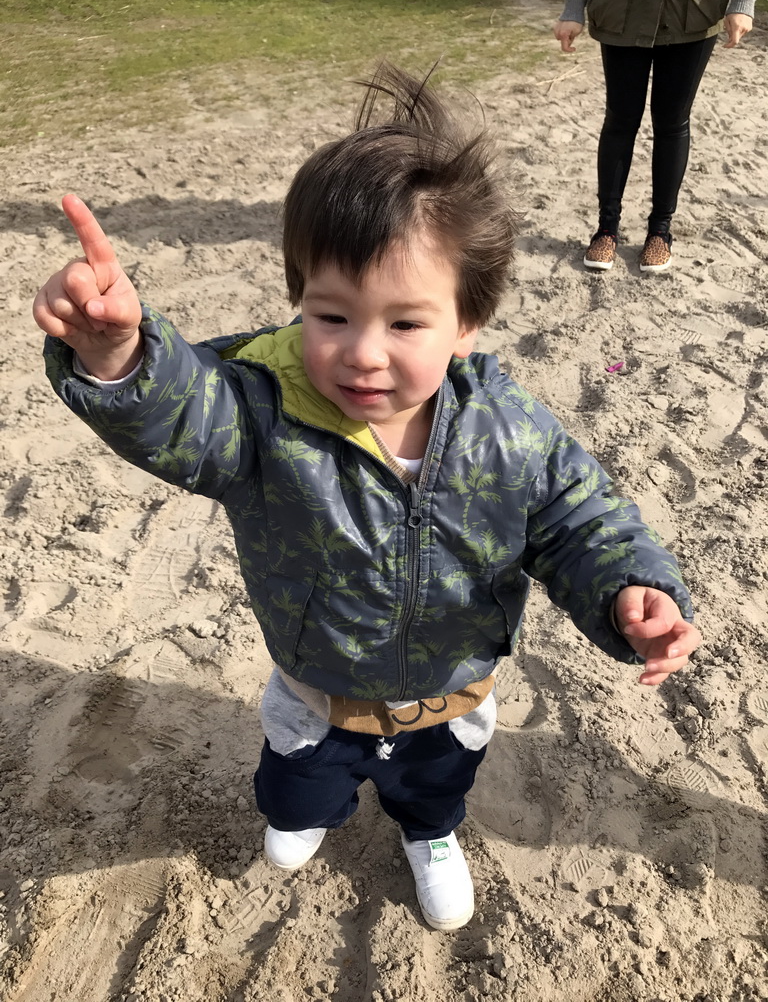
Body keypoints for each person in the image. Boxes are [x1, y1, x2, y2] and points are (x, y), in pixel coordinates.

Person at [33, 64, 701, 933]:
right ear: (299, 300)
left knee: (436, 785)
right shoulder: (260, 411)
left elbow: (581, 520)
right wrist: (118, 359)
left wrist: (628, 589)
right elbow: (181, 416)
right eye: (332, 315)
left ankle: (429, 835)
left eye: (406, 323)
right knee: (295, 779)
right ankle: (308, 813)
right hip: (316, 683)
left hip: (450, 689)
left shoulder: (511, 431)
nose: (363, 354)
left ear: (468, 322)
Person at [553, 0, 764, 273]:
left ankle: (660, 231)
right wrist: (573, 6)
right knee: (620, 122)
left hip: (692, 10)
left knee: (672, 123)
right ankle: (606, 229)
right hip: (621, 10)